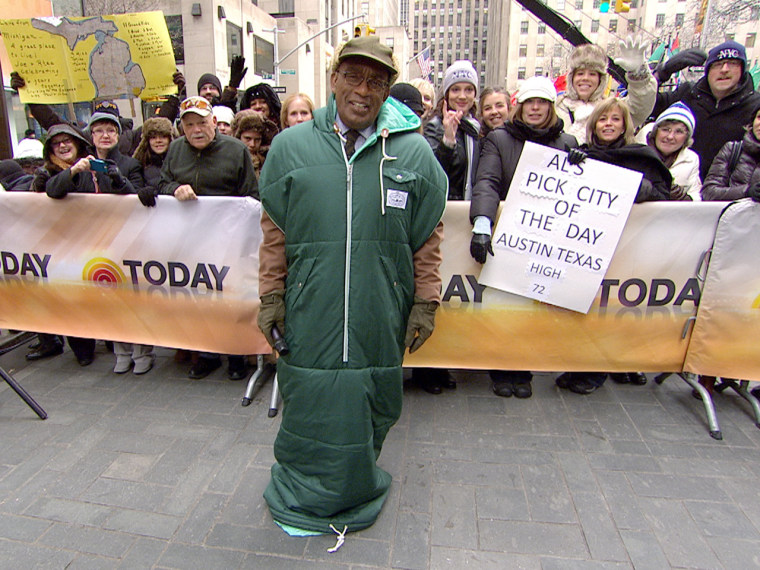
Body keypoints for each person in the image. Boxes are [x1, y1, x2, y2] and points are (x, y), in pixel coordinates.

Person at [257, 36, 447, 533]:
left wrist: (426, 300)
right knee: (309, 396)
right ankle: (305, 491)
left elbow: (427, 238)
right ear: (334, 79)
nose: (364, 91)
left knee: (374, 393)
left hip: (380, 308)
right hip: (309, 307)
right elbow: (275, 232)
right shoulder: (291, 147)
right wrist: (272, 296)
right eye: (355, 77)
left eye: (377, 82)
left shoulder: (412, 155)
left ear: (387, 90)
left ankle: (355, 484)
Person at [555, 98, 672, 395]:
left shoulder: (641, 156)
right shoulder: (583, 155)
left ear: (625, 126)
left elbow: (660, 193)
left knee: (607, 313)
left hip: (624, 249)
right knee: (581, 310)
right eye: (603, 119)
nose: (608, 124)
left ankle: (596, 372)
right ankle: (576, 366)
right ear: (594, 125)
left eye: (615, 120)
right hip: (585, 247)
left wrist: (628, 184)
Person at [470, 76, 578, 399]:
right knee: (505, 307)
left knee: (535, 308)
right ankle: (502, 367)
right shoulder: (500, 139)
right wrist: (482, 222)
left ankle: (524, 367)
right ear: (520, 106)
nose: (535, 107)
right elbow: (487, 181)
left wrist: (583, 165)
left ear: (551, 107)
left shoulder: (568, 143)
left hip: (548, 241)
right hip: (511, 237)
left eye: (542, 102)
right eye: (529, 101)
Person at [158, 95, 258, 380]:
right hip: (190, 242)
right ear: (182, 128)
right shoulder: (175, 150)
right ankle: (207, 354)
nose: (196, 130)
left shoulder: (236, 150)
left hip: (229, 241)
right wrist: (175, 188)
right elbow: (162, 183)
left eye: (202, 122)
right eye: (189, 125)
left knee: (232, 299)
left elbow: (252, 195)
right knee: (199, 300)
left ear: (214, 122)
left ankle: (237, 355)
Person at [419, 60, 480, 394]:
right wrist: (447, 136)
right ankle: (429, 368)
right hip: (442, 218)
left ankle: (450, 360)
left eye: (468, 89)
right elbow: (436, 173)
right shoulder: (432, 127)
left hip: (466, 221)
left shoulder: (478, 128)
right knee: (436, 293)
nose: (461, 95)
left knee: (459, 297)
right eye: (455, 89)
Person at [652, 40, 760, 181]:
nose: (724, 69)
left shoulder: (756, 106)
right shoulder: (687, 93)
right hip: (678, 190)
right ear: (708, 70)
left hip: (729, 195)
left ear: (742, 69)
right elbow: (646, 107)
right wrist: (661, 74)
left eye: (732, 63)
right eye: (717, 64)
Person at [556, 37, 655, 144]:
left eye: (592, 74)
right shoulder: (556, 106)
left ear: (600, 80)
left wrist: (638, 74)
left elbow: (639, 107)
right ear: (572, 78)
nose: (585, 78)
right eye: (580, 73)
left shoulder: (612, 107)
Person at [636, 102, 701, 200]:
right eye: (666, 129)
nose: (670, 137)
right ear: (656, 131)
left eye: (679, 132)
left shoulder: (691, 160)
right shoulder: (636, 151)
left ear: (686, 138)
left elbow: (696, 196)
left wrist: (683, 198)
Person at [702, 103, 760, 202]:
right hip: (735, 216)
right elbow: (708, 192)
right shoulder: (732, 150)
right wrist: (746, 192)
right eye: (759, 117)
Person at [132, 117, 178, 205]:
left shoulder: (181, 163)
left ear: (170, 139)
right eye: (153, 137)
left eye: (163, 136)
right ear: (147, 141)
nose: (158, 141)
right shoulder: (139, 166)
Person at [231, 110, 278, 178]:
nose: (252, 144)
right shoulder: (229, 159)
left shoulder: (269, 160)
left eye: (257, 139)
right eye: (247, 138)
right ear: (238, 137)